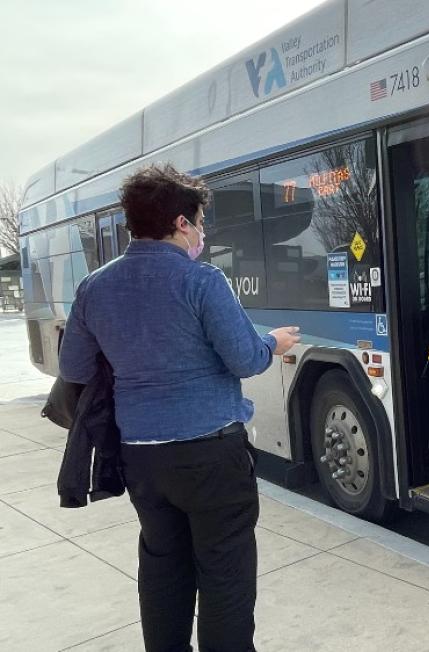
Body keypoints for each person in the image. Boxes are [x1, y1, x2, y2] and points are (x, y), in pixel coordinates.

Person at [58, 164, 301, 651]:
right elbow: (245, 357)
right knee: (225, 574)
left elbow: (76, 368)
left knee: (162, 565)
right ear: (182, 223)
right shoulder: (202, 281)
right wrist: (271, 342)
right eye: (201, 221)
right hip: (211, 456)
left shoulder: (94, 287)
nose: (203, 231)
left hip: (141, 458)